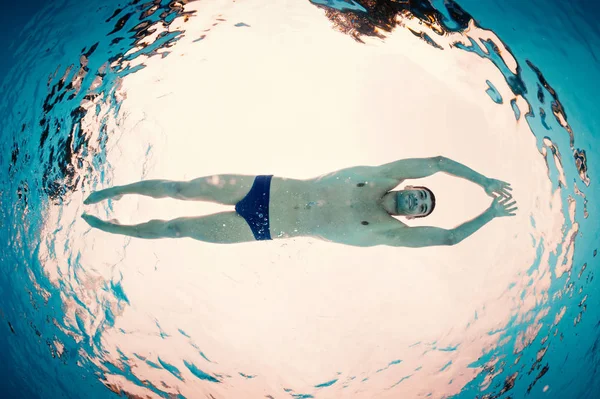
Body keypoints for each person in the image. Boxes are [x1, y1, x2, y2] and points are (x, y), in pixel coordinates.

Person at [82, 156, 516, 247]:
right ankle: (114, 192)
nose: (415, 202)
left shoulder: (389, 232)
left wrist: (492, 213)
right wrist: (483, 178)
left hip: (261, 229)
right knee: (181, 189)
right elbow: (437, 161)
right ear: (409, 187)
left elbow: (450, 239)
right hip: (264, 188)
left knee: (178, 229)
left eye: (421, 207)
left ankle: (115, 228)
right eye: (419, 195)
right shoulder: (382, 176)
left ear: (414, 216)